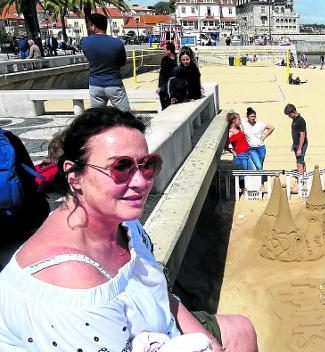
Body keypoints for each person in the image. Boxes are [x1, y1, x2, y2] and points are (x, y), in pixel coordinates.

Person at [0, 107, 258, 351]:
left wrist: (211, 343)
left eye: (147, 165)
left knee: (241, 330)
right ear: (74, 176)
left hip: (156, 331)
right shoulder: (72, 282)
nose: (140, 182)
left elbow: (160, 296)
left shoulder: (122, 222)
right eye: (120, 167)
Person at [82, 13, 130, 111]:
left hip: (95, 84)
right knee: (125, 116)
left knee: (98, 117)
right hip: (114, 84)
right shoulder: (117, 43)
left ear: (93, 26)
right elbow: (122, 63)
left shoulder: (85, 42)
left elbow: (90, 58)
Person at [283, 103, 308, 174]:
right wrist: (293, 144)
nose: (289, 116)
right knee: (301, 160)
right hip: (296, 144)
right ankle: (304, 175)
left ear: (294, 112)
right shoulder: (294, 120)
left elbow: (302, 135)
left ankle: (301, 179)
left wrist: (300, 148)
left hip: (301, 144)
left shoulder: (300, 121)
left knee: (299, 162)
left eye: (289, 114)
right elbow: (295, 133)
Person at [156, 42, 177, 110]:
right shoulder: (164, 60)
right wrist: (159, 86)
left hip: (176, 85)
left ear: (169, 50)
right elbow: (162, 74)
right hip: (166, 86)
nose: (163, 51)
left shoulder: (178, 59)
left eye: (164, 49)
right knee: (165, 106)